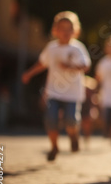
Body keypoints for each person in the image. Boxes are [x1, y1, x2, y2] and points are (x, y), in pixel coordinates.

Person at [22, 11, 91, 161]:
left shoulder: (78, 48)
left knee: (71, 120)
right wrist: (29, 73)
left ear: (75, 31)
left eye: (69, 29)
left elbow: (85, 66)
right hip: (53, 92)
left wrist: (70, 67)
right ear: (55, 30)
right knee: (51, 120)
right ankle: (54, 147)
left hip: (72, 94)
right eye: (62, 28)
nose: (65, 32)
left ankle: (73, 136)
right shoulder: (51, 48)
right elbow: (42, 63)